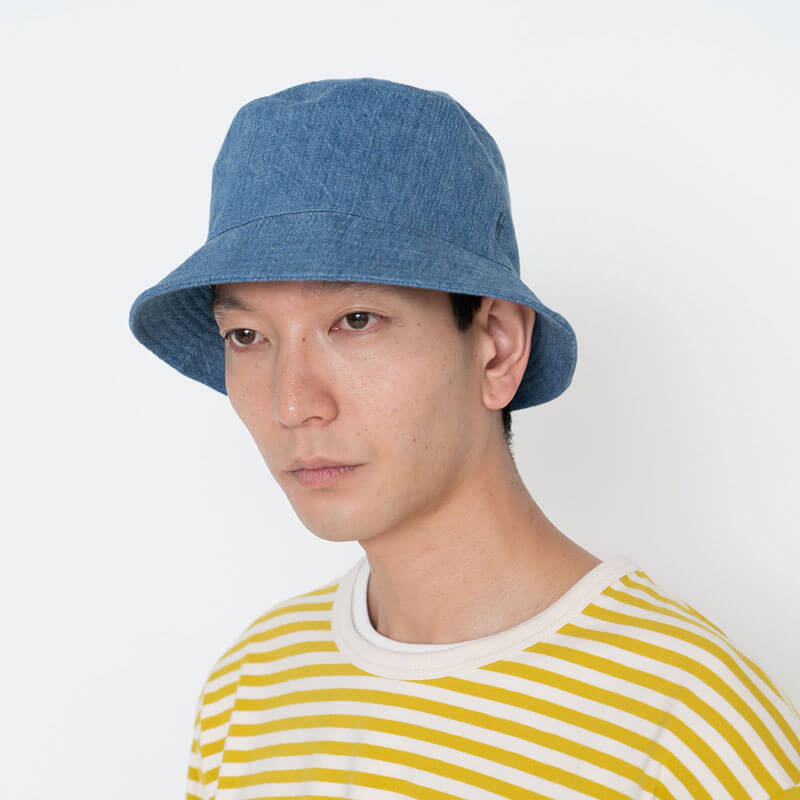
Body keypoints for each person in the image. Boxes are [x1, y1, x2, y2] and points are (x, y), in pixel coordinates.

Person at [129, 77, 800, 799]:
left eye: (355, 321)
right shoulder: (252, 688)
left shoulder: (686, 723)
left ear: (496, 347)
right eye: (246, 335)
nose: (292, 403)